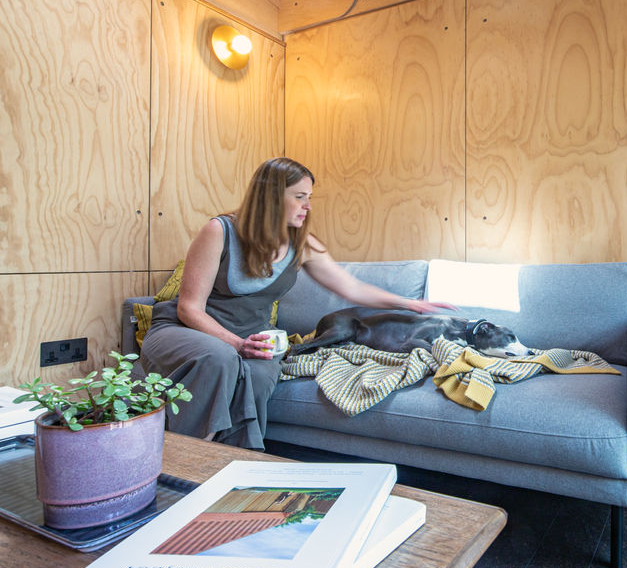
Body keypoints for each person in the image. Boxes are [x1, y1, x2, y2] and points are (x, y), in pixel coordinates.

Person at [140, 157, 452, 450]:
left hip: (251, 338)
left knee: (260, 377)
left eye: (310, 197)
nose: (308, 206)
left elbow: (351, 287)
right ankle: (188, 456)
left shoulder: (303, 243)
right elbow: (188, 308)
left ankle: (231, 463)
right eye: (300, 197)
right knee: (220, 358)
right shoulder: (219, 232)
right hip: (187, 330)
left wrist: (410, 304)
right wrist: (236, 344)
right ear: (272, 198)